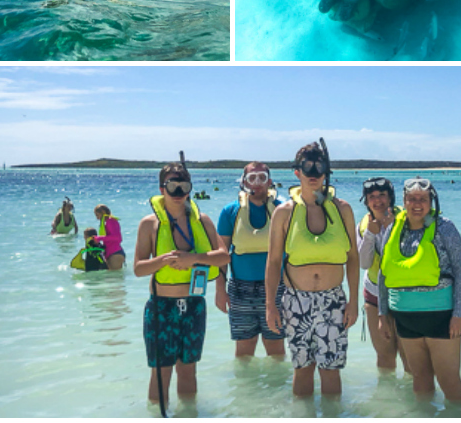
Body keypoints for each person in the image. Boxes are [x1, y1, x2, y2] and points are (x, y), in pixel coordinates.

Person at [265, 140, 359, 397]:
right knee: (302, 368)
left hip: (333, 299)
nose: (314, 174)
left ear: (327, 171)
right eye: (308, 168)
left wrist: (353, 301)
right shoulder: (284, 213)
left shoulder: (343, 209)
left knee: (331, 369)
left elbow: (352, 257)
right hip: (296, 300)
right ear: (297, 172)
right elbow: (273, 261)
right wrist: (270, 305)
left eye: (320, 167)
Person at [133, 162, 229, 413]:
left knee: (188, 371)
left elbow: (223, 257)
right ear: (161, 188)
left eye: (183, 186)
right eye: (172, 186)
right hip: (161, 307)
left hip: (194, 306)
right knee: (161, 373)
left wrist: (193, 259)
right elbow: (138, 269)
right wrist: (162, 260)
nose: (178, 192)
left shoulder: (202, 220)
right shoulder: (149, 223)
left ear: (190, 188)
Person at [377, 177, 461, 403]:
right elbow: (383, 273)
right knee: (420, 379)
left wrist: (459, 314)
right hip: (405, 318)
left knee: (449, 381)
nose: (417, 204)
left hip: (441, 316)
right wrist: (383, 312)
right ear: (404, 201)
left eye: (423, 199)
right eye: (412, 199)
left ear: (432, 202)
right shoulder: (393, 229)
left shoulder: (445, 228)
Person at [215, 161, 285, 359]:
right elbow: (222, 254)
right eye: (251, 178)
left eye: (262, 177)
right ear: (244, 182)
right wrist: (220, 290)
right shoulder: (230, 212)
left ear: (269, 181)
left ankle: (277, 389)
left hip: (276, 289)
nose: (257, 183)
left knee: (277, 352)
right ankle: (245, 390)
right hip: (240, 289)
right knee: (244, 353)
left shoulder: (282, 210)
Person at [356, 177, 409, 372]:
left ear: (391, 198)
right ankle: (385, 399)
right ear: (366, 201)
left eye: (382, 196)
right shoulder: (363, 226)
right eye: (372, 197)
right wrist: (370, 233)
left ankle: (413, 400)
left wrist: (392, 229)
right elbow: (364, 263)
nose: (377, 201)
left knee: (408, 357)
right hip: (374, 296)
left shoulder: (406, 220)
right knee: (385, 356)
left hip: (402, 296)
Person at [92, 204, 125, 270]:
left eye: (97, 215)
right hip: (110, 253)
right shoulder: (106, 222)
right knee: (110, 278)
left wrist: (99, 238)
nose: (97, 218)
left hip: (115, 253)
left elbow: (118, 238)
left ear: (103, 212)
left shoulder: (111, 221)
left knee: (114, 278)